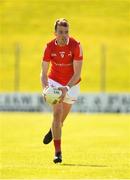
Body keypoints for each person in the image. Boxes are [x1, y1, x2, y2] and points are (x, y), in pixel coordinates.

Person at [40, 18, 83, 163]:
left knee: (60, 121)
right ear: (55, 33)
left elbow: (77, 73)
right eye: (61, 32)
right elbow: (43, 72)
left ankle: (52, 131)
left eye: (66, 32)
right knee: (57, 115)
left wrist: (66, 88)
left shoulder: (76, 46)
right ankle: (58, 153)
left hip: (72, 84)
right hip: (54, 82)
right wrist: (45, 87)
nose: (64, 35)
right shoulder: (49, 47)